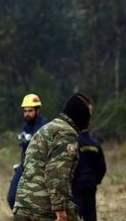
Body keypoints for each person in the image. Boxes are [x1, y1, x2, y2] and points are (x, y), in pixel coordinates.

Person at [14, 93, 94, 221]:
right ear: (80, 113)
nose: (89, 120)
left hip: (23, 206)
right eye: (88, 114)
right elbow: (57, 172)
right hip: (44, 209)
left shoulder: (49, 128)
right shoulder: (66, 133)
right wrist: (60, 209)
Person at [7, 93, 49, 209]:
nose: (27, 114)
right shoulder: (27, 125)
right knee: (12, 198)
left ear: (38, 110)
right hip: (25, 166)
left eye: (30, 111)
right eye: (25, 111)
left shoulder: (44, 126)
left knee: (39, 204)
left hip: (40, 168)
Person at [71, 129, 106, 221]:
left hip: (76, 185)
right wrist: (96, 180)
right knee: (91, 213)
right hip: (91, 184)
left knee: (76, 214)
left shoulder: (74, 143)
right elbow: (102, 166)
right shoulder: (95, 143)